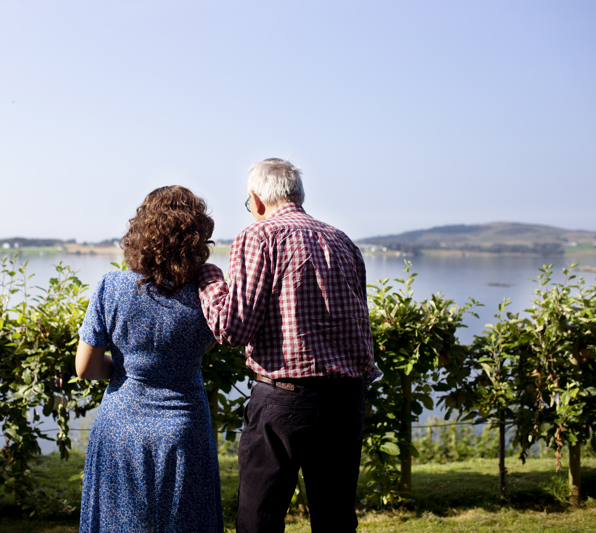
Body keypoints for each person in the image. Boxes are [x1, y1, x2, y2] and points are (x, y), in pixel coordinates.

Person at [198, 158, 379, 533]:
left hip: (286, 399)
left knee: (260, 517)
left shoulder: (258, 235)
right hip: (346, 398)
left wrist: (210, 279)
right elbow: (361, 322)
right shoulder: (341, 239)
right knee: (336, 518)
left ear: (257, 200)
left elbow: (232, 330)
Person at [76, 185, 223, 533]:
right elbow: (208, 346)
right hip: (185, 428)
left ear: (141, 231)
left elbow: (86, 368)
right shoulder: (205, 293)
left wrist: (128, 372)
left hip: (120, 426)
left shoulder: (111, 288)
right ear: (198, 237)